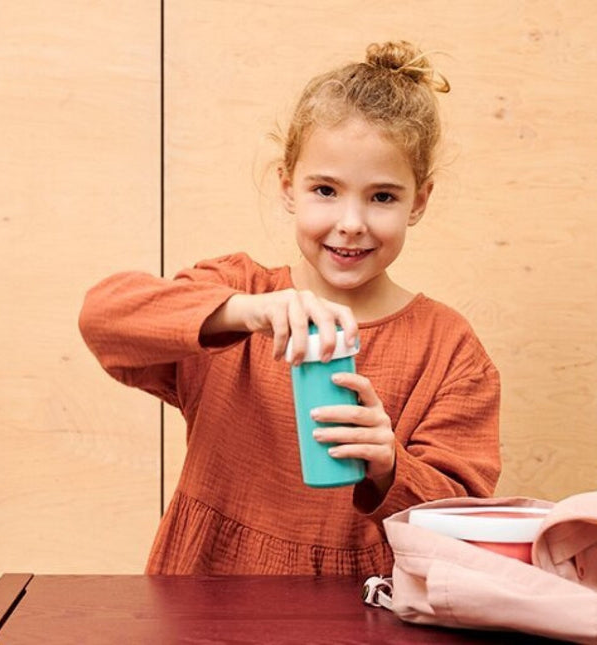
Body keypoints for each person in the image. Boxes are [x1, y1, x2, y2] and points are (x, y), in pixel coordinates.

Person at [79, 40, 501, 576]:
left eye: (383, 197)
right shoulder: (238, 292)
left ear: (419, 201)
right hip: (206, 589)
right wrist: (243, 312)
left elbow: (462, 516)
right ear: (287, 187)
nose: (351, 221)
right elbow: (104, 317)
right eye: (325, 189)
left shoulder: (449, 348)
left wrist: (389, 465)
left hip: (362, 605)